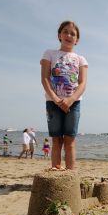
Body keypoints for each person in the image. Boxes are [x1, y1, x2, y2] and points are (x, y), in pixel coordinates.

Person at [41, 20, 88, 170]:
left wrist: (70, 99)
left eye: (73, 34)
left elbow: (82, 83)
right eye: (65, 32)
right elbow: (45, 78)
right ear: (59, 35)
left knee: (70, 140)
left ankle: (70, 175)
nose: (69, 35)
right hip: (52, 102)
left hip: (73, 103)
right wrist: (56, 99)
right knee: (56, 140)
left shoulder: (81, 59)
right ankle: (56, 170)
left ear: (77, 40)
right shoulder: (49, 53)